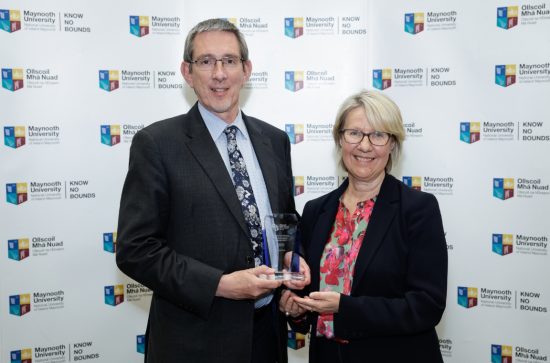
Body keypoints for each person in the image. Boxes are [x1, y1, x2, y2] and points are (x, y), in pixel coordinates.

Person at [116, 18, 309, 363]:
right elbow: (135, 250)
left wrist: (294, 259)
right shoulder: (157, 144)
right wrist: (220, 284)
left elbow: (283, 222)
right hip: (194, 343)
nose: (219, 73)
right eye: (206, 62)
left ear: (246, 70)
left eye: (229, 61)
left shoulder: (274, 141)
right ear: (187, 73)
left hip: (268, 337)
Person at [280, 90, 447, 362]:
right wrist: (297, 311)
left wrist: (345, 308)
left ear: (392, 143)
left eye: (378, 135)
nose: (365, 146)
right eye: (354, 133)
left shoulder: (418, 209)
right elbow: (308, 295)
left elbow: (426, 306)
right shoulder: (315, 210)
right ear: (340, 139)